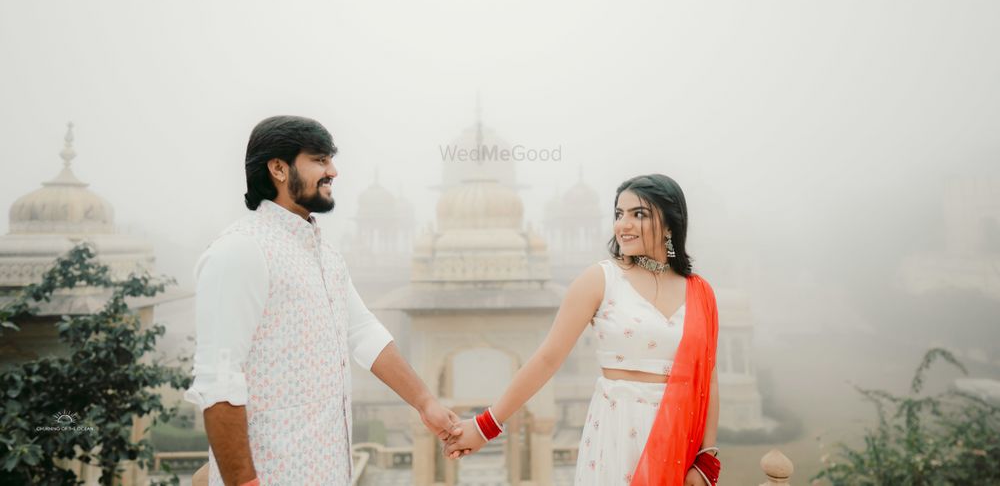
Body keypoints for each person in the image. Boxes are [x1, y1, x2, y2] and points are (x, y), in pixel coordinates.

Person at [185, 115, 460, 486]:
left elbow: (363, 333)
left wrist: (426, 404)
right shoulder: (241, 251)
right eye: (319, 159)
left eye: (330, 159)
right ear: (278, 169)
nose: (333, 171)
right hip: (272, 475)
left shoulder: (325, 256)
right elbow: (219, 379)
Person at [444, 174, 721, 486]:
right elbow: (548, 358)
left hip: (679, 436)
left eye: (639, 214)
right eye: (619, 214)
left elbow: (707, 378)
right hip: (617, 435)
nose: (624, 225)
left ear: (671, 224)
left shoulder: (700, 293)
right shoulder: (602, 279)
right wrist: (486, 426)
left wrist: (706, 458)